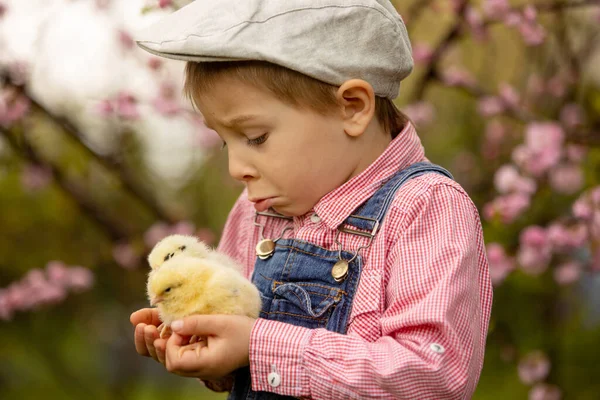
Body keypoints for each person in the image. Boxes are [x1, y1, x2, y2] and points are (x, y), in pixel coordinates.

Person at [130, 1, 493, 398]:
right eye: (224, 142)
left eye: (255, 137)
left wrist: (257, 344)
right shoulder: (256, 213)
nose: (237, 168)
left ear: (352, 107)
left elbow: (432, 377)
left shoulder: (425, 208)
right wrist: (207, 348)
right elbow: (242, 357)